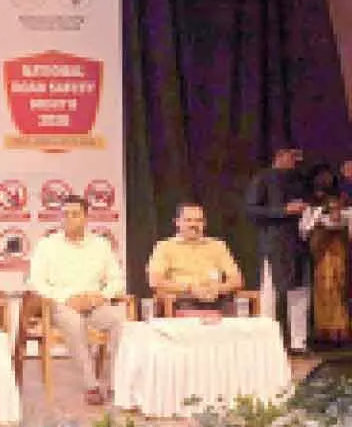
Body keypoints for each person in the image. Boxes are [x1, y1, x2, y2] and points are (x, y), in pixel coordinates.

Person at [28, 195, 126, 406]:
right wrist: (67, 298)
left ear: (86, 217)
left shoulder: (101, 244)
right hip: (61, 304)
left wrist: (101, 296)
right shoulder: (47, 245)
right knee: (74, 322)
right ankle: (91, 385)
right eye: (65, 214)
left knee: (119, 320)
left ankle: (116, 383)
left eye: (75, 214)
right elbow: (36, 282)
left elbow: (116, 279)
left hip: (94, 303)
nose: (69, 219)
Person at [245, 144, 310, 353]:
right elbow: (252, 210)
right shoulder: (263, 178)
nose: (295, 161)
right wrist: (284, 210)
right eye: (292, 156)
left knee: (300, 290)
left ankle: (299, 342)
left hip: (299, 242)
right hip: (274, 243)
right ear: (280, 156)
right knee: (270, 292)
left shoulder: (299, 179)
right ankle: (267, 340)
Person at [146, 202, 244, 315]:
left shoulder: (218, 246)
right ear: (177, 222)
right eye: (188, 220)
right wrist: (190, 288)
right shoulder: (164, 247)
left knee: (235, 309)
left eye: (199, 220)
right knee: (189, 307)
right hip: (182, 300)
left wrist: (218, 288)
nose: (193, 224)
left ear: (204, 223)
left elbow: (237, 280)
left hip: (216, 299)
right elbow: (155, 281)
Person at [301, 165, 351, 343]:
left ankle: (338, 329)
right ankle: (324, 329)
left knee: (336, 285)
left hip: (337, 250)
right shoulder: (311, 205)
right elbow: (305, 229)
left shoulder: (341, 201)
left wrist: (336, 214)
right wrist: (317, 219)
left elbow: (340, 222)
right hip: (320, 251)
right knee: (322, 286)